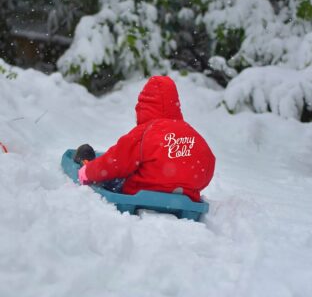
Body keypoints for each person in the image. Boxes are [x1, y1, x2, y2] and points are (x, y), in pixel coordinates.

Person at [77, 75, 216, 202]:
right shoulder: (193, 134)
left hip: (142, 193)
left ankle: (87, 164)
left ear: (143, 107)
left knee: (113, 176)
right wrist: (185, 184)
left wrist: (88, 172)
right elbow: (208, 163)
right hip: (185, 196)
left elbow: (116, 161)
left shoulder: (145, 132)